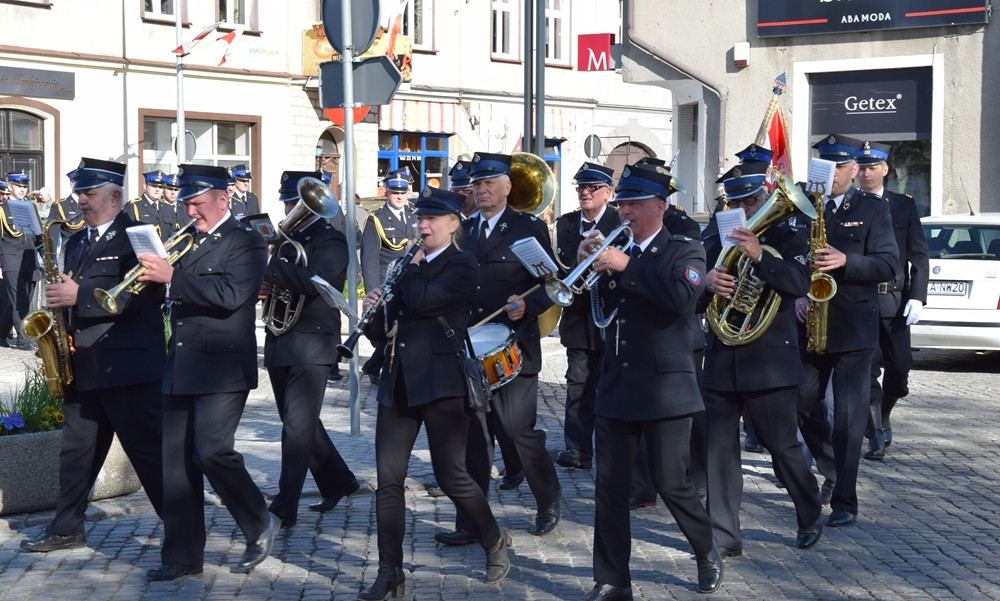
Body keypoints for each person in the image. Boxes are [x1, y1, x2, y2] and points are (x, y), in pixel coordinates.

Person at [357, 187, 511, 599]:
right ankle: (389, 571)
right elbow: (381, 333)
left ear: (453, 224)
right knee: (389, 480)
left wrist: (405, 272)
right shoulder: (409, 267)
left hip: (443, 386)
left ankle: (493, 540)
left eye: (432, 220)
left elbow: (425, 301)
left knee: (452, 476)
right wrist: (376, 307)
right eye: (420, 219)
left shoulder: (463, 265)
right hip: (399, 382)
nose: (422, 226)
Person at [583, 163, 721, 599]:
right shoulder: (613, 246)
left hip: (666, 389)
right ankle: (612, 579)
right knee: (609, 488)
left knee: (671, 483)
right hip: (617, 383)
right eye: (622, 203)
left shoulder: (686, 249)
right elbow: (598, 309)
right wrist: (590, 264)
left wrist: (626, 266)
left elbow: (681, 300)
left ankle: (705, 550)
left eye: (635, 204)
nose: (626, 212)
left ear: (661, 206)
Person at [138, 164, 279, 581]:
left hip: (222, 366)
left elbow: (231, 295)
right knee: (176, 467)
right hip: (181, 363)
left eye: (197, 203)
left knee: (213, 451)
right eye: (186, 204)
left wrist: (172, 277)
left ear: (222, 199)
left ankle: (259, 520)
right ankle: (181, 556)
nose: (190, 211)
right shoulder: (185, 241)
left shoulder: (246, 241)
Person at [19, 158, 167, 553]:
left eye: (89, 194)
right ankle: (66, 527)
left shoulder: (137, 236)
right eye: (79, 193)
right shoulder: (77, 239)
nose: (80, 201)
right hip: (85, 366)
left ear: (115, 196)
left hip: (128, 370)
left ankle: (184, 530)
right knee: (76, 454)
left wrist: (79, 296)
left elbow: (146, 298)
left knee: (149, 456)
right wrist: (61, 334)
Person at [700, 154, 823, 560]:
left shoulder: (791, 229)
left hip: (769, 359)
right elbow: (693, 284)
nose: (744, 211)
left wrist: (759, 255)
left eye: (751, 201)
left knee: (782, 446)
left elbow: (799, 281)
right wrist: (707, 283)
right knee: (718, 451)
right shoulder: (719, 232)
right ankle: (725, 535)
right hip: (723, 355)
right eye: (737, 203)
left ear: (767, 193)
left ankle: (808, 510)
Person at [794, 134, 898, 528]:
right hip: (810, 324)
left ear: (854, 170)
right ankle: (832, 465)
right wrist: (796, 296)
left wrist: (846, 260)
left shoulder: (872, 209)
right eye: (825, 163)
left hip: (853, 325)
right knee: (801, 404)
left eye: (839, 166)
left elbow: (888, 264)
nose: (831, 172)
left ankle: (845, 500)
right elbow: (792, 259)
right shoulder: (805, 207)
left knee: (849, 417)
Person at [461, 151, 562, 535]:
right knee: (475, 436)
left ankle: (547, 497)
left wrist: (528, 305)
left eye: (489, 183)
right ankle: (471, 522)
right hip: (472, 348)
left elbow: (552, 285)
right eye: (477, 184)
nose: (482, 189)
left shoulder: (527, 228)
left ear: (507, 186)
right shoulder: (465, 230)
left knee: (519, 433)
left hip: (514, 348)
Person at [260, 170, 361, 526]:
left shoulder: (331, 241)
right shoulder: (282, 242)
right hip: (280, 337)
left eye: (297, 203)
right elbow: (278, 282)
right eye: (289, 202)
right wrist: (265, 286)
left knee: (296, 426)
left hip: (313, 343)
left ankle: (285, 505)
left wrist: (269, 268)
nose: (291, 209)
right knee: (299, 422)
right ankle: (340, 482)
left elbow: (314, 282)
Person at [855, 140, 929, 460]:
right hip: (860, 301)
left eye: (873, 167)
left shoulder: (903, 205)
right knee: (868, 370)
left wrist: (918, 297)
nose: (866, 173)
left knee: (899, 371)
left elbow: (920, 255)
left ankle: (883, 414)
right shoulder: (849, 205)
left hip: (895, 301)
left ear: (885, 169)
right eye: (862, 167)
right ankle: (874, 434)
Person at [553, 162, 620, 471]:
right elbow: (560, 269)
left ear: (607, 193)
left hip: (613, 315)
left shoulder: (621, 221)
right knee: (578, 383)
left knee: (612, 385)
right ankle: (577, 448)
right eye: (580, 187)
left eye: (591, 188)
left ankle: (612, 450)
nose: (584, 193)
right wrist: (577, 257)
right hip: (580, 316)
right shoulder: (565, 224)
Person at [360, 168, 418, 387]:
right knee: (392, 329)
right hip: (388, 285)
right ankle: (376, 366)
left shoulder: (414, 214)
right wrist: (373, 292)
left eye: (403, 192)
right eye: (395, 192)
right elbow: (370, 259)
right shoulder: (376, 220)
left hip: (411, 283)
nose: (400, 196)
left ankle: (375, 366)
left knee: (405, 327)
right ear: (386, 193)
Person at [1, 170, 39, 351]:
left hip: (30, 258)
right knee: (19, 301)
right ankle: (24, 340)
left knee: (25, 298)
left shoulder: (30, 207)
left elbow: (38, 236)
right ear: (10, 186)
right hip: (11, 259)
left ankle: (1, 333)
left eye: (25, 187)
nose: (23, 190)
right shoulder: (2, 209)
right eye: (19, 186)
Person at [127, 170, 167, 236]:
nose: (157, 189)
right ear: (145, 186)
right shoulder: (133, 206)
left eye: (161, 187)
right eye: (154, 186)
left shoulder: (168, 207)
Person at [158, 173, 182, 240]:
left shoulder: (185, 207)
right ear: (163, 189)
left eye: (176, 190)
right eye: (170, 189)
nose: (173, 193)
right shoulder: (156, 206)